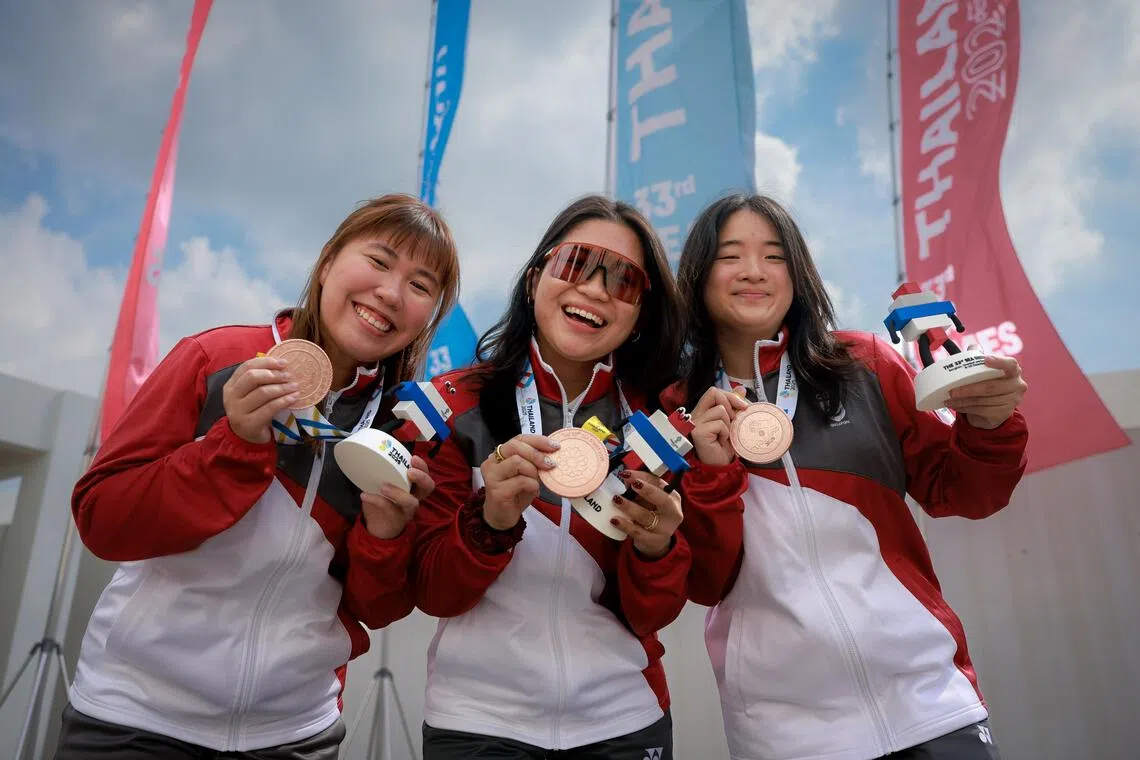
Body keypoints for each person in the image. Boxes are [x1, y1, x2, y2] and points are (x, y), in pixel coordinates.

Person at [55, 194, 460, 759]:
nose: (391, 293)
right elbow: (103, 521)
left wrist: (386, 538)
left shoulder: (401, 427)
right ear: (327, 264)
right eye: (379, 260)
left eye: (421, 286)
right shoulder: (217, 359)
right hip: (136, 717)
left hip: (296, 734)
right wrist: (233, 447)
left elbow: (376, 608)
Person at [669, 193, 1029, 760]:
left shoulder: (862, 364)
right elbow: (706, 582)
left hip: (930, 705)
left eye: (774, 255)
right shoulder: (678, 412)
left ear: (798, 272)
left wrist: (989, 424)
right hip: (783, 732)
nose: (755, 272)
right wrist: (712, 476)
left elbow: (963, 491)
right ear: (697, 275)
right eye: (730, 255)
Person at [410, 195, 689, 759]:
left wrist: (658, 550)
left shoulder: (655, 424)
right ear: (536, 278)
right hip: (479, 723)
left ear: (639, 315)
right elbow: (433, 591)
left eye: (623, 282)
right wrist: (489, 522)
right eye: (574, 264)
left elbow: (652, 614)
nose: (592, 290)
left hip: (624, 722)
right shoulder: (455, 405)